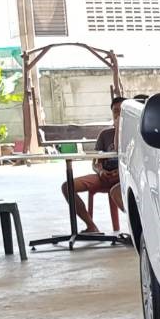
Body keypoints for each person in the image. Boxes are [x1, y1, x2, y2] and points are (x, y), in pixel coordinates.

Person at [67, 95, 124, 233]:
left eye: (122, 111)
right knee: (68, 187)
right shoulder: (105, 134)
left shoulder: (134, 133)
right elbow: (96, 161)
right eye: (115, 111)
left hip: (123, 177)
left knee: (117, 191)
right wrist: (101, 171)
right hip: (104, 176)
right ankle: (91, 226)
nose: (119, 114)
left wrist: (120, 172)